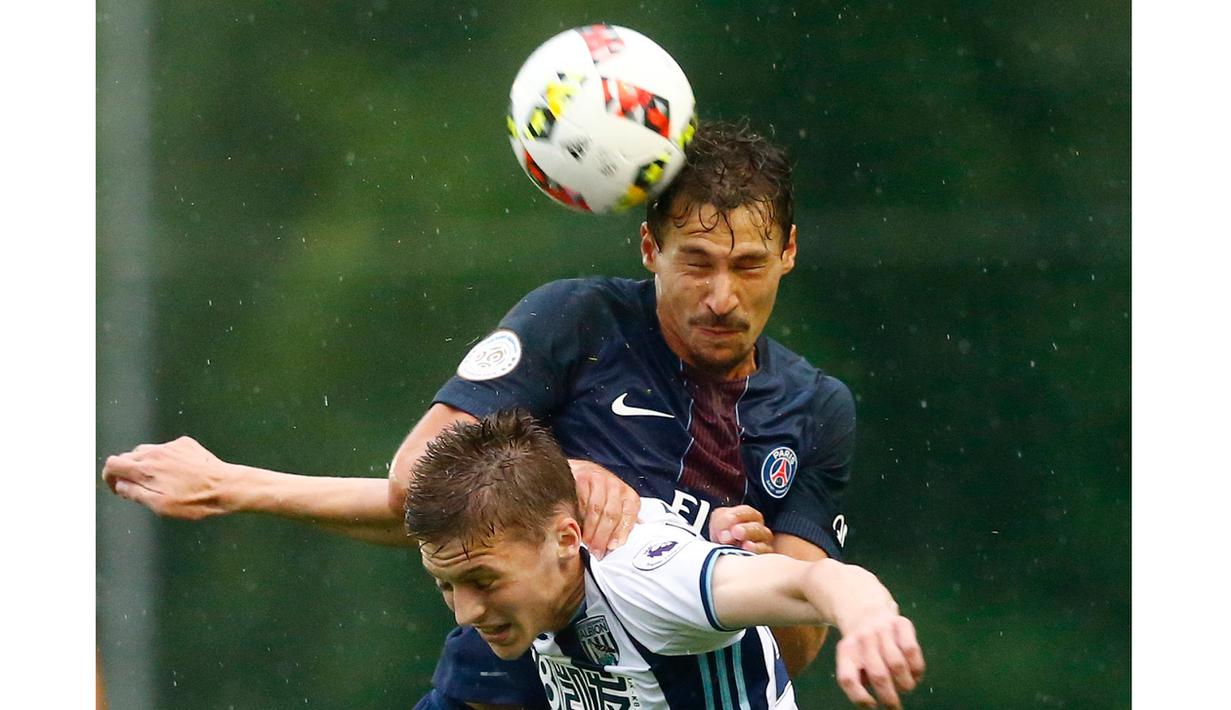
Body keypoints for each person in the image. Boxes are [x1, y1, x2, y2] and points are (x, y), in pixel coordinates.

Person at [103, 121, 857, 709]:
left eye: (748, 265)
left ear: (787, 252)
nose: (722, 295)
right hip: (492, 692)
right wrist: (559, 477)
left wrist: (740, 573)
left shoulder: (814, 408)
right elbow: (420, 484)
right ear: (648, 247)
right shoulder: (577, 321)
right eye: (695, 261)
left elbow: (787, 654)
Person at [406, 410, 922, 710]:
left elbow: (817, 580)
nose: (465, 612)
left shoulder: (647, 576)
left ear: (567, 540)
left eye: (482, 580)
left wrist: (868, 619)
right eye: (446, 585)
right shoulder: (536, 581)